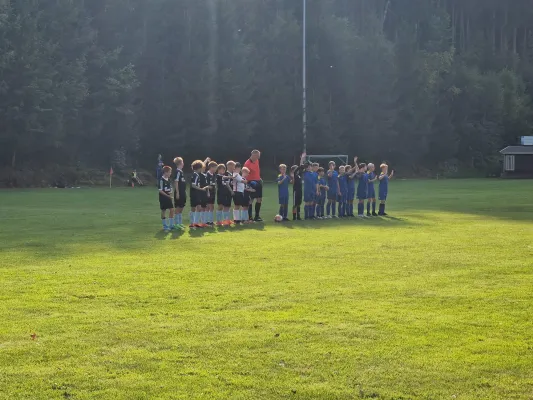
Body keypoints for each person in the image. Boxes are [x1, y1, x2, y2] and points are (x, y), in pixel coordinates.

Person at [244, 150, 263, 222]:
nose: (258, 157)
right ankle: (250, 217)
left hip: (258, 181)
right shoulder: (247, 163)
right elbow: (245, 174)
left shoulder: (257, 160)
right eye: (257, 156)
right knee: (251, 199)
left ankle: (257, 216)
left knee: (259, 199)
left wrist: (259, 178)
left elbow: (257, 171)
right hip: (251, 182)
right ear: (253, 155)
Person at [189, 160, 208, 229]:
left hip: (195, 193)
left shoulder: (195, 174)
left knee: (195, 208)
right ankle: (194, 223)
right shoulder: (196, 175)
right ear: (199, 168)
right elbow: (193, 185)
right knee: (197, 208)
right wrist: (201, 189)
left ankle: (193, 223)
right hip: (195, 193)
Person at [290, 153, 307, 221]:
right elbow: (299, 167)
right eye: (296, 169)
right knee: (295, 204)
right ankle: (294, 217)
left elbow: (300, 167)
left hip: (300, 190)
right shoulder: (293, 174)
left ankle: (298, 216)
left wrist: (302, 159)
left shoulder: (299, 174)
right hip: (295, 191)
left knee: (299, 204)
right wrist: (302, 159)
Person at [158, 166, 174, 231]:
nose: (170, 173)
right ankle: (165, 226)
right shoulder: (161, 180)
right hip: (163, 198)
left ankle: (171, 225)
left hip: (168, 197)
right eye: (169, 172)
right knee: (163, 210)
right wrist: (168, 196)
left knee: (172, 209)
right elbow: (160, 190)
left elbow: (171, 187)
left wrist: (171, 191)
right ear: (165, 172)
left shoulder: (169, 179)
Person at [173, 157, 187, 229]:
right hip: (179, 192)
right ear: (180, 163)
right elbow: (176, 182)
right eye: (182, 162)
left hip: (183, 192)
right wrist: (177, 192)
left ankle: (180, 223)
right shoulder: (177, 172)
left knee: (181, 206)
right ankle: (176, 224)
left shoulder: (181, 172)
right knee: (178, 207)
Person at [205, 161, 218, 226]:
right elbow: (206, 184)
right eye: (215, 168)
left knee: (212, 206)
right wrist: (207, 192)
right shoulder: (207, 174)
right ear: (211, 167)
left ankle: (210, 221)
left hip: (213, 192)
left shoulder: (214, 175)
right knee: (208, 206)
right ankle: (207, 221)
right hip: (208, 193)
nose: (216, 169)